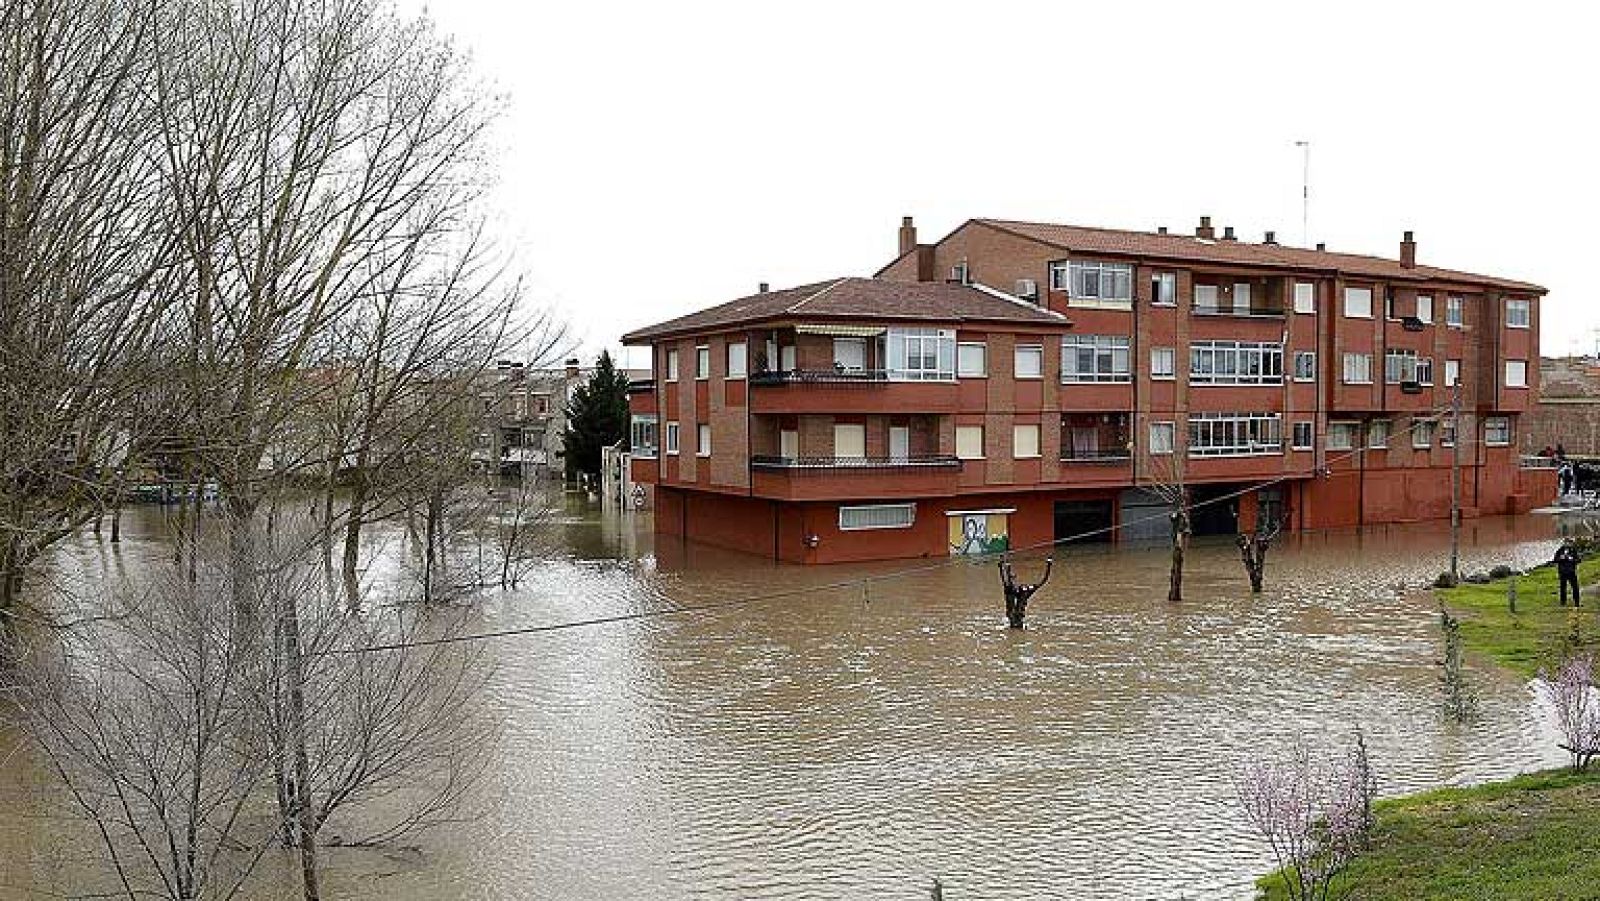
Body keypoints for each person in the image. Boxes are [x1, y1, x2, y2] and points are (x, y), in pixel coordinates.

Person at [999, 556, 1053, 629]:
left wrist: (1049, 565)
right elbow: (1007, 580)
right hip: (1015, 619)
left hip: (1017, 620)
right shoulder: (1013, 590)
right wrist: (1005, 567)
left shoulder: (1024, 591)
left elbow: (1044, 580)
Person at [1555, 540, 1581, 607]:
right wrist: (1561, 558)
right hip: (1562, 572)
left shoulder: (1573, 551)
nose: (1567, 544)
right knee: (1563, 588)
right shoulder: (1560, 550)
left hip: (1571, 572)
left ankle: (1577, 602)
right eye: (1565, 543)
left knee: (1575, 587)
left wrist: (1571, 559)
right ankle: (1563, 602)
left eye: (1568, 543)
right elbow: (1555, 560)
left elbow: (1578, 560)